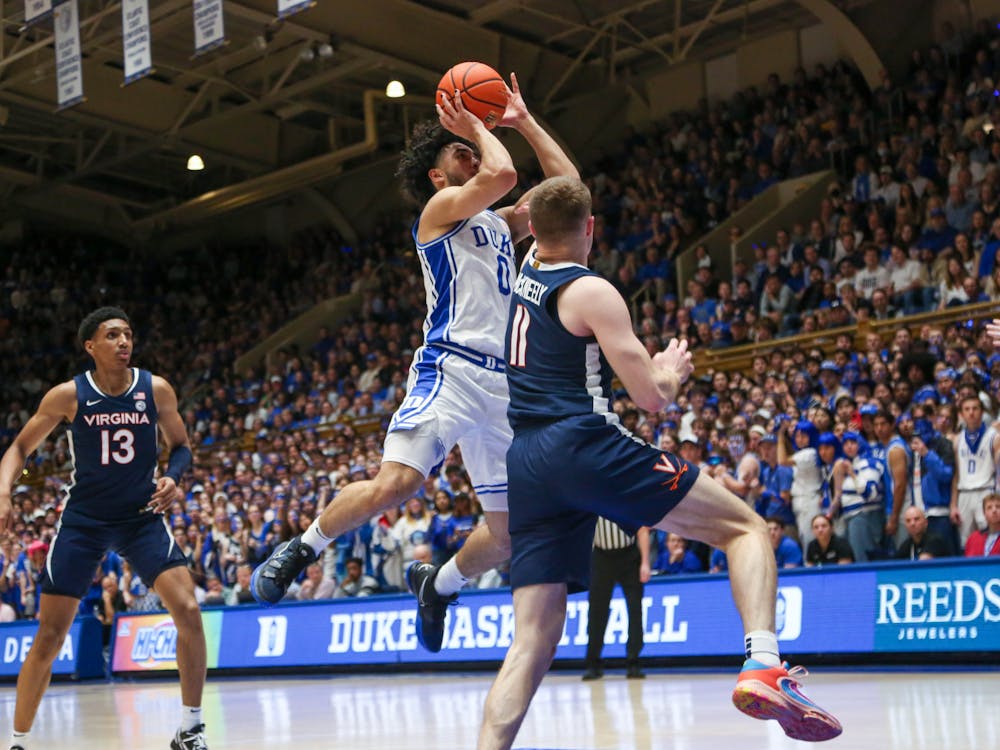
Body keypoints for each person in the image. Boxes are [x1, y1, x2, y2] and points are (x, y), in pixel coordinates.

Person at [477, 177, 840, 750]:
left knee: (530, 643)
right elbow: (651, 398)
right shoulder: (591, 290)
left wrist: (522, 122)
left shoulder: (524, 263)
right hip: (583, 443)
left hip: (526, 460)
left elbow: (560, 191)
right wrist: (672, 368)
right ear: (591, 228)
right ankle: (764, 664)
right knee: (745, 527)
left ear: (533, 226)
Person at [251, 72, 578, 654]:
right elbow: (502, 173)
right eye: (460, 151)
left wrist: (522, 119)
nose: (472, 151)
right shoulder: (439, 213)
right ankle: (302, 547)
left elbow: (568, 186)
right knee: (396, 484)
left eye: (472, 145)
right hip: (450, 367)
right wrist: (478, 122)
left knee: (506, 537)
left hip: (505, 385)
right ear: (438, 174)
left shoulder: (500, 225)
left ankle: (439, 585)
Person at [0, 307, 207, 750]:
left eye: (128, 334)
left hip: (141, 518)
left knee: (188, 610)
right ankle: (17, 741)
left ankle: (190, 729)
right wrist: (3, 491)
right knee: (50, 634)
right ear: (90, 346)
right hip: (85, 522)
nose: (123, 342)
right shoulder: (68, 395)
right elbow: (19, 447)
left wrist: (174, 475)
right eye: (112, 335)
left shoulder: (156, 389)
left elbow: (183, 447)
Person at [581, 518, 650, 681]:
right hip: (601, 557)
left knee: (635, 609)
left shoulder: (625, 496)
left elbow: (642, 529)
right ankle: (593, 663)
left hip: (629, 555)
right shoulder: (590, 501)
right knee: (597, 612)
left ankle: (633, 661)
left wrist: (645, 563)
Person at [950, 395, 999, 547]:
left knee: (991, 539)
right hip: (964, 493)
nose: (971, 413)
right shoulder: (957, 440)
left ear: (982, 412)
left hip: (986, 491)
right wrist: (953, 505)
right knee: (967, 544)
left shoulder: (994, 437)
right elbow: (956, 475)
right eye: (967, 409)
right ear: (961, 414)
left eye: (975, 408)